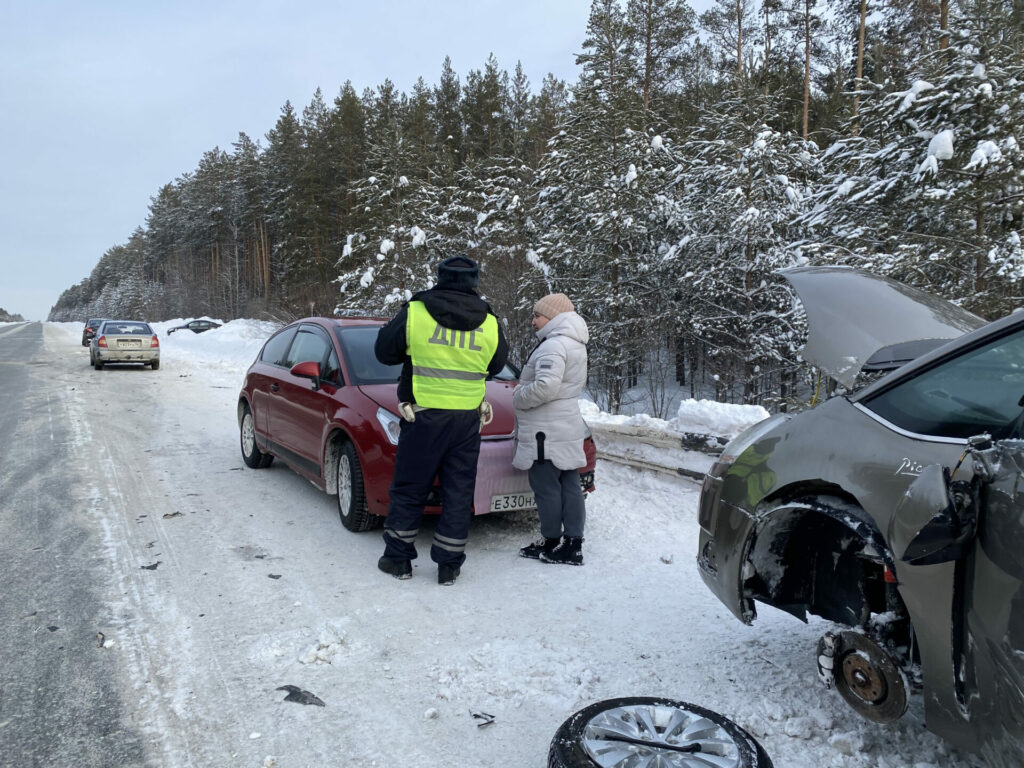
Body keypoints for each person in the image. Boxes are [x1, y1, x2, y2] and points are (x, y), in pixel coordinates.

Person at [374, 255, 508, 585]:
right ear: (474, 282)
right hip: (467, 421)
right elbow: (496, 365)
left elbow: (384, 352)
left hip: (422, 416)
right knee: (459, 491)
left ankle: (398, 559)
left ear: (440, 277)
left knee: (410, 487)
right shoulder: (489, 320)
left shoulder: (417, 312)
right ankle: (449, 565)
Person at [512, 292, 589, 565]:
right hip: (566, 424)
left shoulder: (553, 346)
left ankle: (552, 541)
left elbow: (545, 386)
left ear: (553, 316)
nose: (533, 321)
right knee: (570, 483)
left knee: (546, 486)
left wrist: (518, 396)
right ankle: (573, 544)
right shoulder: (575, 343)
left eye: (537, 315)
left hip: (545, 429)